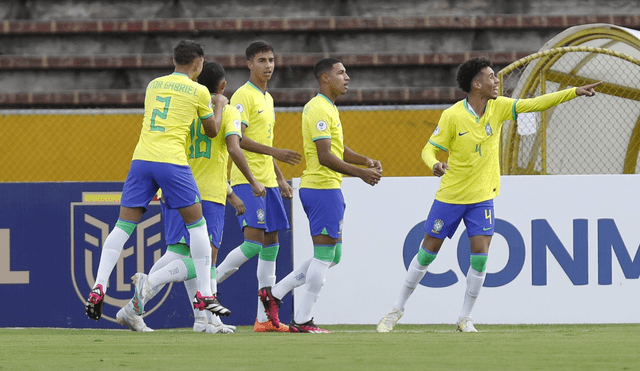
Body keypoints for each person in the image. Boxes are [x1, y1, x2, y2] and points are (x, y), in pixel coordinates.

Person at [376, 57, 602, 333]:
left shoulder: (500, 108)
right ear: (476, 83)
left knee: (480, 256)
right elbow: (428, 149)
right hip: (450, 196)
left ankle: (465, 318)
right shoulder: (453, 116)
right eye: (491, 77)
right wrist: (433, 164)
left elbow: (535, 104)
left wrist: (573, 92)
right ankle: (397, 309)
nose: (496, 82)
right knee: (427, 254)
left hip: (482, 196)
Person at [114, 62, 266, 333]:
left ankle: (201, 321)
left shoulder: (185, 111)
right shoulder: (227, 110)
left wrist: (231, 194)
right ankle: (148, 285)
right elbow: (233, 147)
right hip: (206, 194)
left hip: (175, 189)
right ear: (222, 86)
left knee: (179, 252)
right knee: (204, 259)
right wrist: (252, 182)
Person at [85, 40, 229, 321]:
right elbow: (212, 131)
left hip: (141, 159)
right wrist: (218, 105)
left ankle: (99, 285)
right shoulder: (199, 90)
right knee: (199, 227)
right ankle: (205, 293)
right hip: (171, 160)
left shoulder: (153, 84)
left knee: (123, 226)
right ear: (198, 63)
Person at [258, 57, 383, 333]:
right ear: (325, 78)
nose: (347, 77)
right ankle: (302, 319)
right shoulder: (316, 108)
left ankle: (275, 293)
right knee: (324, 255)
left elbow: (337, 148)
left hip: (328, 187)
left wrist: (365, 160)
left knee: (332, 255)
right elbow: (325, 157)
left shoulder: (329, 108)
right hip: (322, 187)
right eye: (341, 72)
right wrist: (360, 174)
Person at [214, 40, 303, 333]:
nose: (269, 65)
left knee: (271, 247)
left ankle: (265, 318)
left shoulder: (269, 98)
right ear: (249, 63)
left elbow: (266, 145)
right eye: (262, 60)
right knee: (253, 243)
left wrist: (279, 178)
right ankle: (205, 288)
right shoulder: (243, 96)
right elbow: (237, 140)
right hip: (247, 180)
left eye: (271, 60)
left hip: (268, 182)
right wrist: (276, 156)